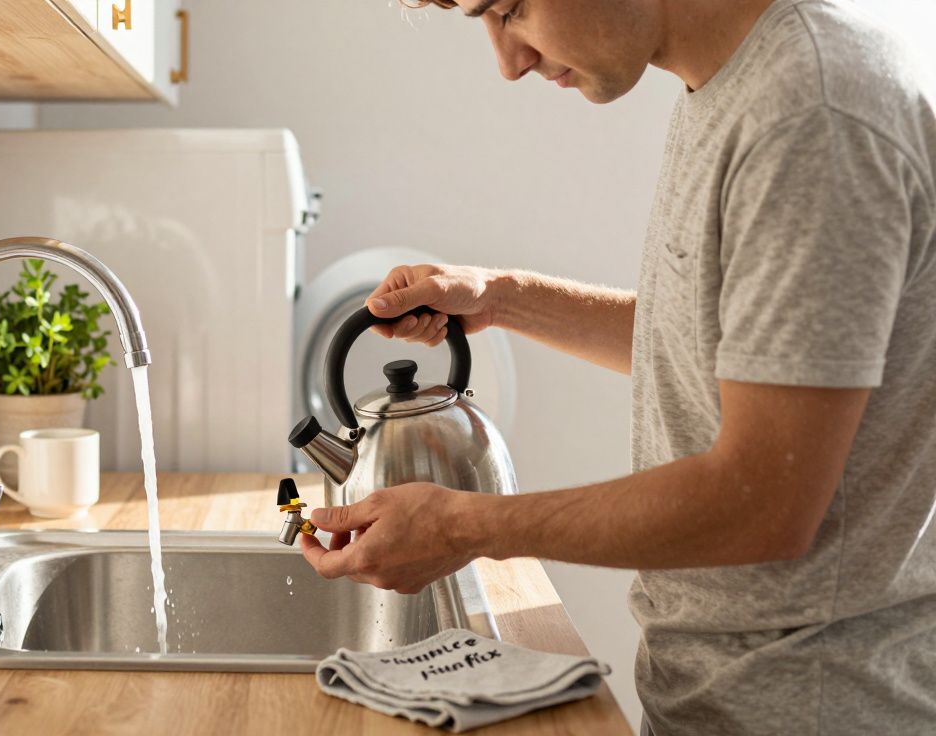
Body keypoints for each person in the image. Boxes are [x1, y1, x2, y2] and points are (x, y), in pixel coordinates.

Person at [298, 1, 936, 733]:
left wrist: (468, 527)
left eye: (508, 10)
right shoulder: (734, 87)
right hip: (723, 699)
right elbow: (718, 345)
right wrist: (503, 299)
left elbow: (764, 502)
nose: (510, 62)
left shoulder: (813, 112)